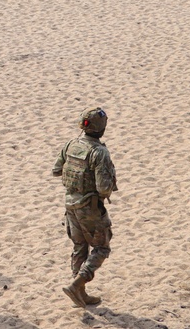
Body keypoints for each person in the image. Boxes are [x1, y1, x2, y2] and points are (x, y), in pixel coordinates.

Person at [52, 106, 117, 308]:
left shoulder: (71, 144)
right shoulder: (99, 152)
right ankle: (77, 284)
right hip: (90, 208)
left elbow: (56, 170)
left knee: (79, 247)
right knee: (101, 248)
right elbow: (104, 188)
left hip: (70, 204)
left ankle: (80, 293)